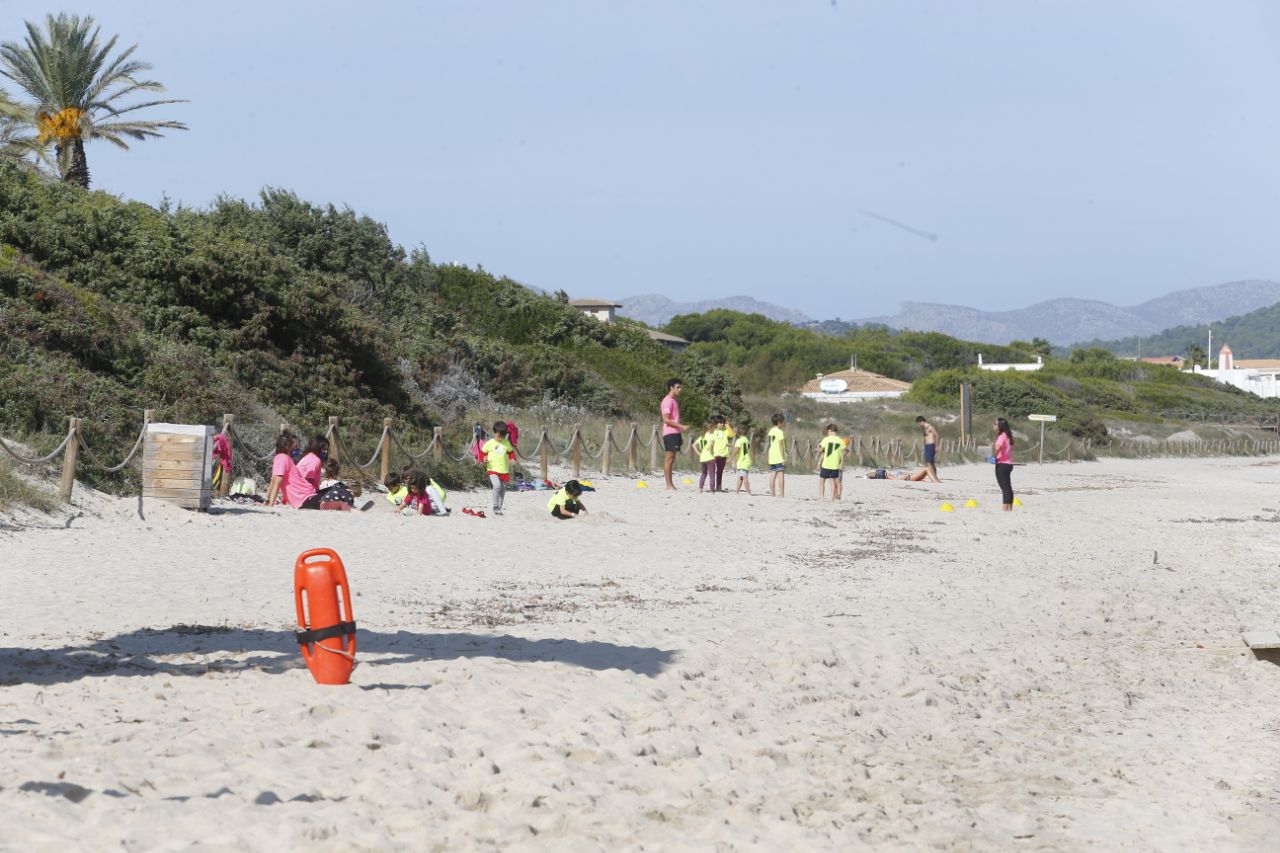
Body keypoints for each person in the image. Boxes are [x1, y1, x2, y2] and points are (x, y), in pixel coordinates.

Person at [265, 432, 321, 509]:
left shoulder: (281, 458)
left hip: (306, 498)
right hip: (305, 498)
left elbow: (273, 481)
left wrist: (267, 501)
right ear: (287, 446)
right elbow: (276, 482)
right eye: (295, 446)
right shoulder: (283, 458)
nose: (296, 449)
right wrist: (270, 504)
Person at [480, 420, 515, 516]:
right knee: (497, 486)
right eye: (499, 436)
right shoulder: (489, 443)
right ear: (494, 433)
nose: (500, 438)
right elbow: (482, 452)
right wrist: (484, 457)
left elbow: (511, 452)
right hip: (492, 470)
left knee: (503, 491)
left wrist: (512, 459)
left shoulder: (506, 443)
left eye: (502, 436)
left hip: (504, 471)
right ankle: (495, 507)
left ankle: (499, 508)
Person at [660, 378, 689, 490]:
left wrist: (679, 432)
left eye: (680, 387)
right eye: (678, 387)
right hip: (669, 433)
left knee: (672, 459)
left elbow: (674, 418)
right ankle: (668, 485)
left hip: (675, 433)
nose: (680, 389)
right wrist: (681, 426)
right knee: (669, 458)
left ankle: (670, 484)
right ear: (671, 388)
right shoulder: (667, 400)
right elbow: (666, 420)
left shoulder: (675, 401)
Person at [817, 423, 846, 501]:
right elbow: (843, 453)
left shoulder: (826, 439)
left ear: (829, 431)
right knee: (833, 482)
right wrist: (841, 463)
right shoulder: (840, 440)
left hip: (826, 464)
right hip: (835, 465)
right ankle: (832, 498)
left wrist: (816, 449)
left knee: (822, 481)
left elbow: (820, 450)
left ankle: (821, 497)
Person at [993, 417, 1015, 511]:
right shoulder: (1008, 435)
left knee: (1005, 488)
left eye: (995, 424)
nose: (993, 425)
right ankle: (1009, 507)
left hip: (1002, 464)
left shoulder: (1002, 436)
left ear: (1000, 426)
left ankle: (1005, 508)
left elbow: (998, 447)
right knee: (1008, 487)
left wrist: (993, 457)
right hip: (1008, 464)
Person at [915, 416, 942, 483]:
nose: (918, 425)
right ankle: (934, 476)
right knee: (931, 462)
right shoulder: (924, 428)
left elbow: (937, 435)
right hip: (927, 446)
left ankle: (934, 478)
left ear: (921, 421)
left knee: (929, 463)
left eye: (918, 423)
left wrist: (937, 446)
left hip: (931, 445)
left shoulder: (930, 427)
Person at [766, 412, 786, 497]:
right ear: (779, 422)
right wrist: (783, 458)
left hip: (772, 455)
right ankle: (781, 494)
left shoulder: (770, 431)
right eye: (782, 422)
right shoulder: (779, 432)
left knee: (773, 473)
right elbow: (781, 446)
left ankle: (772, 493)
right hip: (778, 456)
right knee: (780, 474)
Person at [694, 422, 715, 492]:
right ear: (710, 428)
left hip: (702, 458)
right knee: (712, 475)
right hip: (710, 457)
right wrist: (712, 452)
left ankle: (700, 488)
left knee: (704, 473)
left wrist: (699, 453)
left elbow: (693, 445)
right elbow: (711, 447)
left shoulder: (701, 437)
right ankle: (712, 490)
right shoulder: (712, 436)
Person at [711, 416, 730, 492]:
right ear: (716, 423)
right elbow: (711, 443)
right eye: (719, 423)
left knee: (720, 471)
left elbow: (732, 434)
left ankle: (718, 486)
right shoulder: (714, 432)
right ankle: (714, 486)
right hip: (716, 454)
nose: (721, 424)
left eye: (722, 422)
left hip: (724, 454)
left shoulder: (725, 431)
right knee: (714, 470)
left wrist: (727, 425)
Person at [732, 426, 752, 495]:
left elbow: (736, 450)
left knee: (744, 477)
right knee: (740, 477)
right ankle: (736, 491)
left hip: (742, 461)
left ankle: (749, 492)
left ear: (738, 433)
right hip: (747, 461)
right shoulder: (747, 440)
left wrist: (730, 458)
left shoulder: (739, 441)